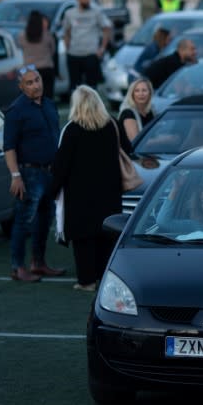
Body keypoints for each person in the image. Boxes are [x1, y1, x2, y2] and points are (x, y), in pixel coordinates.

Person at [49, 86, 125, 291]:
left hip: (80, 196)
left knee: (83, 241)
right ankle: (103, 278)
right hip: (109, 192)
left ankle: (86, 281)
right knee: (105, 238)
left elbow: (61, 165)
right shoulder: (111, 126)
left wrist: (52, 190)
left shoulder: (73, 130)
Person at [3, 65, 65, 282]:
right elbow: (8, 147)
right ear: (21, 87)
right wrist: (15, 176)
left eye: (37, 80)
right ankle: (17, 267)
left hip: (50, 172)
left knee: (44, 220)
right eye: (29, 82)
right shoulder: (16, 111)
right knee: (24, 221)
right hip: (29, 174)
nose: (35, 85)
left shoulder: (49, 104)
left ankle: (38, 263)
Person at [63, 0, 112, 95]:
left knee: (92, 87)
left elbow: (106, 29)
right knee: (75, 87)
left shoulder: (96, 12)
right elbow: (66, 31)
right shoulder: (69, 13)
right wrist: (67, 48)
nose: (87, 0)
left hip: (91, 54)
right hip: (74, 54)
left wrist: (102, 48)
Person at [17, 10, 56, 100]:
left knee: (30, 98)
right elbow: (53, 51)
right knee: (47, 98)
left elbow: (19, 47)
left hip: (29, 69)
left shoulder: (22, 36)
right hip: (46, 68)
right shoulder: (47, 35)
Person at [118, 78, 154, 144]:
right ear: (132, 94)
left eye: (144, 90)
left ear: (150, 93)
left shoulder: (150, 112)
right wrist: (164, 140)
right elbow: (135, 142)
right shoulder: (128, 113)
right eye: (137, 91)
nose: (141, 94)